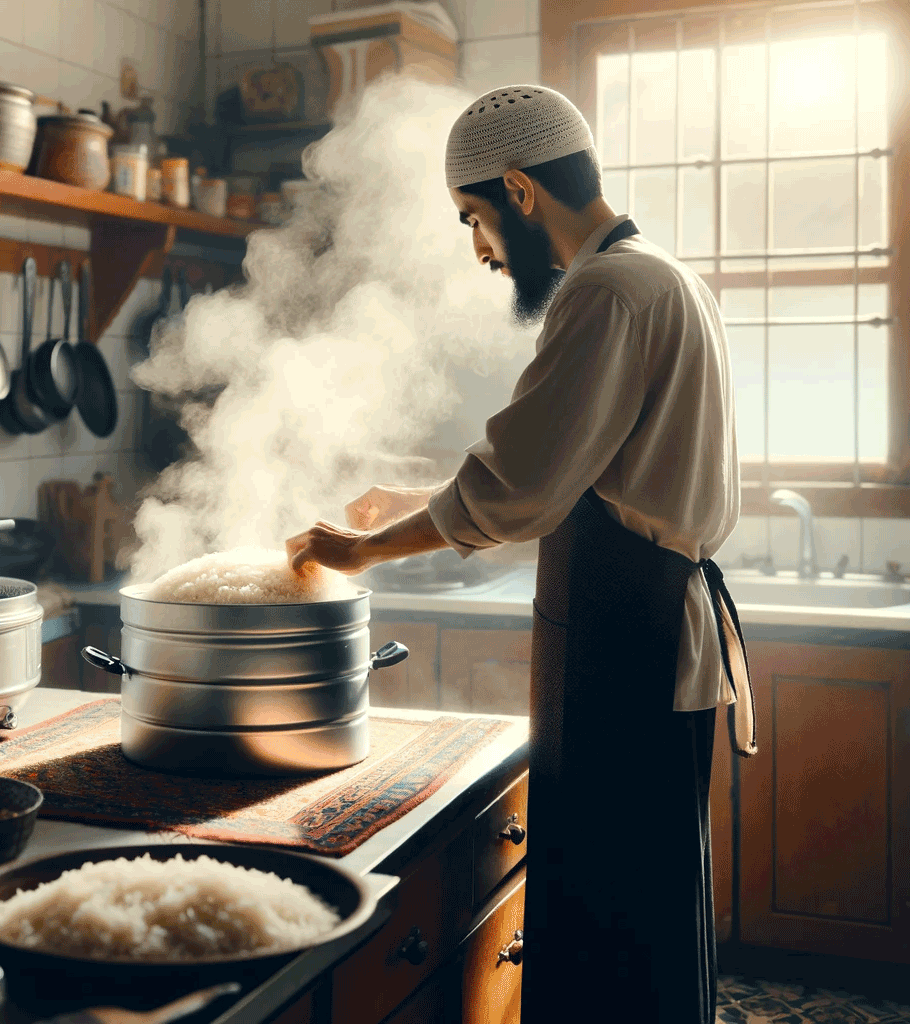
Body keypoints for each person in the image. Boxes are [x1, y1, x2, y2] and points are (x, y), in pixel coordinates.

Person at [285, 85, 757, 1024]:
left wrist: (365, 549)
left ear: (520, 189)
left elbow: (521, 489)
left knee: (608, 909)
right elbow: (570, 465)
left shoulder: (604, 292)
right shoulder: (663, 277)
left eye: (475, 217)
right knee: (649, 899)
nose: (480, 250)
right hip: (651, 633)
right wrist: (412, 499)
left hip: (625, 643)